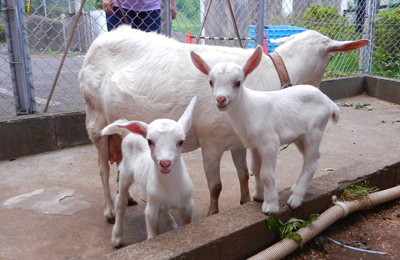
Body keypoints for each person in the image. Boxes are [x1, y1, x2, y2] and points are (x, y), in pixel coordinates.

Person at [102, 0, 177, 32]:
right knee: (120, 50)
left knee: (151, 52)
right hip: (120, 6)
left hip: (152, 7)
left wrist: (172, 2)